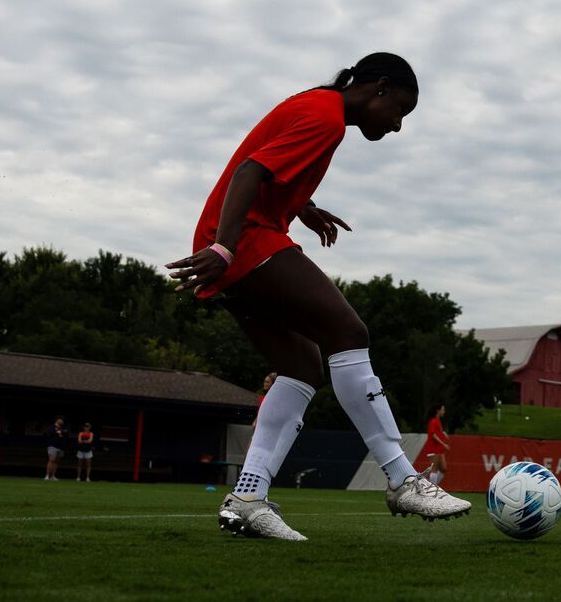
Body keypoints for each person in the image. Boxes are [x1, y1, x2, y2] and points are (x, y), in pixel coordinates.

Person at [167, 53, 470, 542]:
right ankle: (401, 478)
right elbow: (248, 172)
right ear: (380, 87)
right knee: (348, 333)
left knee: (304, 366)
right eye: (399, 111)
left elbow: (270, 164)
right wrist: (225, 245)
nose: (396, 126)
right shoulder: (327, 118)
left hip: (235, 240)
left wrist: (301, 206)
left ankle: (247, 497)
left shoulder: (319, 107)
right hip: (243, 239)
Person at [419, 404, 450, 487]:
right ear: (438, 411)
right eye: (443, 410)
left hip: (439, 449)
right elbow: (433, 434)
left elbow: (436, 432)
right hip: (433, 448)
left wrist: (443, 433)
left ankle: (433, 487)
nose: (444, 412)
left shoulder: (437, 421)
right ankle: (432, 489)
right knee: (434, 469)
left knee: (443, 468)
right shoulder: (433, 421)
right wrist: (443, 444)